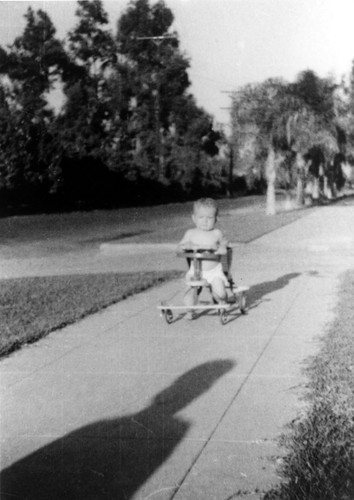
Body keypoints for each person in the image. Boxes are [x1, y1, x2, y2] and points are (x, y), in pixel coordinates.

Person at [178, 198, 228, 319]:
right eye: (201, 217)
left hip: (213, 271)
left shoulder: (217, 233)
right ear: (194, 218)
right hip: (196, 270)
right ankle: (190, 310)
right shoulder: (190, 233)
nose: (205, 221)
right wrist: (186, 246)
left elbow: (224, 247)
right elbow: (180, 247)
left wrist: (220, 249)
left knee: (220, 292)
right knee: (190, 289)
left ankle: (220, 301)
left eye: (209, 218)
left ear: (216, 218)